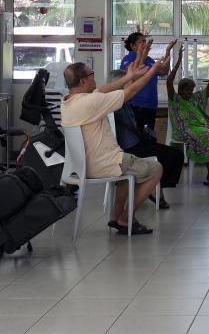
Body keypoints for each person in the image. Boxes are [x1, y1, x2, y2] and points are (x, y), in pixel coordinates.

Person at [60, 47, 164, 235]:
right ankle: (126, 217)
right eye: (91, 74)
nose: (94, 77)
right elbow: (130, 92)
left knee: (128, 171)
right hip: (104, 164)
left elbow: (102, 90)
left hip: (83, 165)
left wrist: (127, 76)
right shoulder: (90, 103)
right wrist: (152, 71)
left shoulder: (69, 101)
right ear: (83, 81)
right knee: (156, 169)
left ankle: (116, 218)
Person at [109, 69, 185, 210]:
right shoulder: (117, 104)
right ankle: (154, 190)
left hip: (137, 143)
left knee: (177, 154)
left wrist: (146, 133)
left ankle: (156, 187)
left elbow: (135, 127)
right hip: (131, 148)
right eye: (129, 84)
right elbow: (132, 129)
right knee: (173, 155)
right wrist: (145, 134)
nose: (133, 88)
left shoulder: (125, 103)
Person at [166, 45, 209, 186]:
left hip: (202, 127)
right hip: (184, 129)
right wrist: (178, 61)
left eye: (191, 90)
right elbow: (168, 82)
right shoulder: (175, 100)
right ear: (180, 90)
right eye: (187, 91)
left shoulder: (195, 99)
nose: (189, 93)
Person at [119, 33, 175, 132]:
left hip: (151, 105)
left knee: (149, 137)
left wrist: (168, 51)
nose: (145, 44)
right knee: (138, 139)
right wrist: (143, 55)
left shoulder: (149, 60)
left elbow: (163, 71)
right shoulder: (128, 59)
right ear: (133, 46)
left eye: (145, 41)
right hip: (136, 105)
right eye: (141, 42)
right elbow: (133, 74)